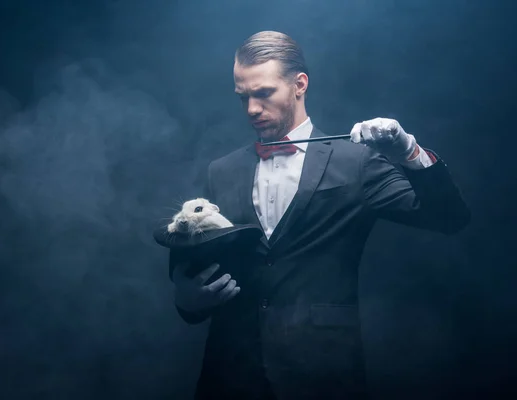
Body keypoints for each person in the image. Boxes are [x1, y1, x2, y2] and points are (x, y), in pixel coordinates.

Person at [169, 30, 470, 400]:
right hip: (230, 377)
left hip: (322, 375)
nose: (251, 108)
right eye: (243, 96)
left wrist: (408, 150)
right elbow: (192, 267)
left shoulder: (357, 162)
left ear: (299, 85)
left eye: (263, 93)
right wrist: (187, 300)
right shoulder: (221, 170)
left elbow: (449, 218)